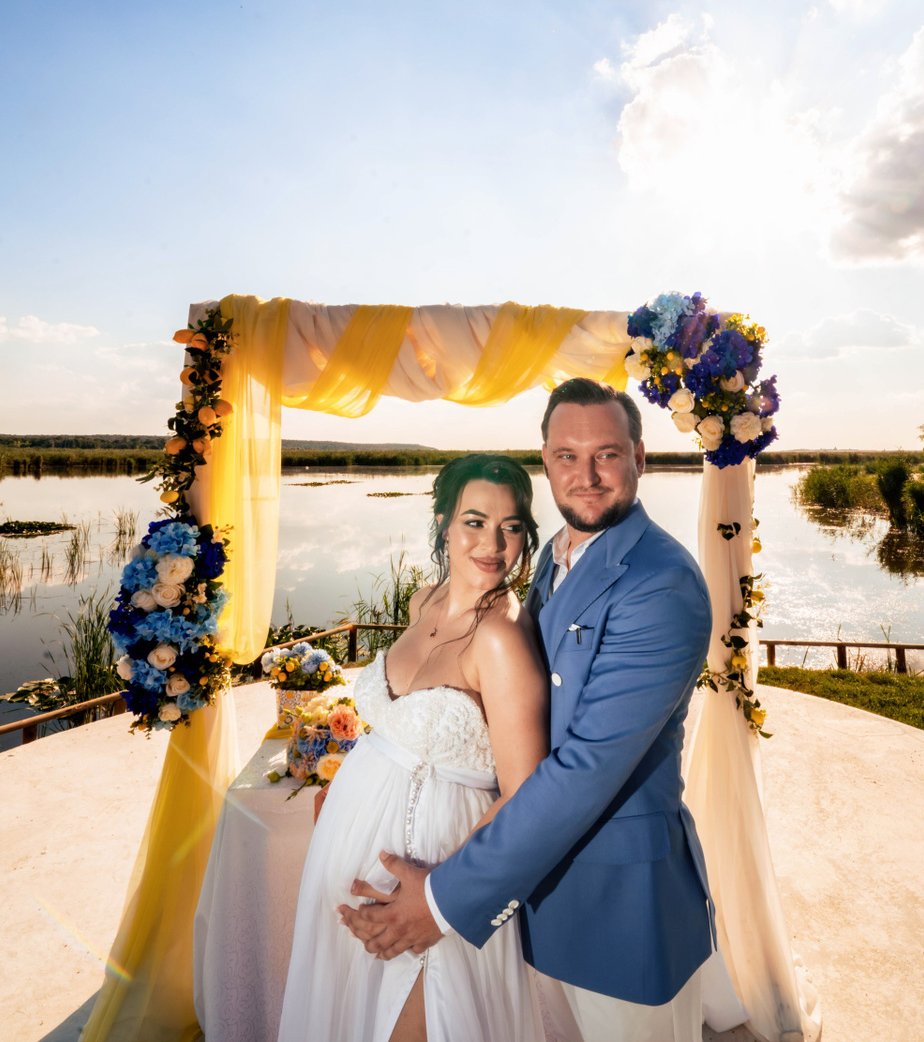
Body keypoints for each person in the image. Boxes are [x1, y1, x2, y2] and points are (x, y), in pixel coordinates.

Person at [338, 378, 729, 1042]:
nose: (586, 475)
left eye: (607, 454)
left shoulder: (661, 584)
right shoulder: (555, 555)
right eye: (567, 455)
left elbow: (584, 769)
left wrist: (444, 900)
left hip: (621, 905)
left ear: (640, 457)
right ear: (546, 459)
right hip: (538, 889)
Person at [275, 451, 557, 1042]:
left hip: (434, 862)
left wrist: (439, 895)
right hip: (352, 837)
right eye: (475, 521)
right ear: (444, 524)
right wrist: (347, 782)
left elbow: (527, 796)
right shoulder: (422, 600)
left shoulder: (501, 640)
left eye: (511, 527)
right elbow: (400, 727)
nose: (493, 544)